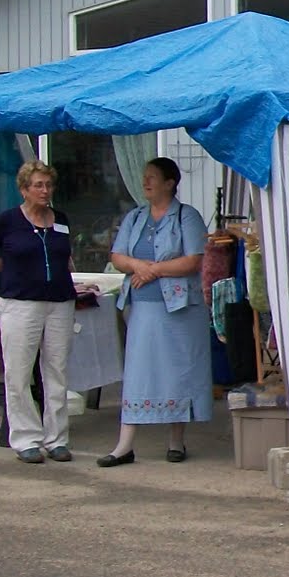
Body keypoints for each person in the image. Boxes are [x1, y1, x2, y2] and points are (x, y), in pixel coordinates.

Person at [100, 157, 213, 466]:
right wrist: (139, 266)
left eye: (152, 177)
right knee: (138, 372)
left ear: (170, 183)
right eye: (144, 176)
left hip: (179, 309)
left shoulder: (186, 217)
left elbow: (193, 260)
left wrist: (154, 270)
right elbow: (118, 256)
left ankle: (177, 440)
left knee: (178, 371)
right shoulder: (135, 217)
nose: (145, 182)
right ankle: (124, 444)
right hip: (141, 307)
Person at [0, 160, 78, 464]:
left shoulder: (61, 219)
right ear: (24, 189)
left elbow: (64, 256)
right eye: (38, 185)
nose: (45, 191)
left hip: (59, 300)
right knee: (18, 370)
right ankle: (26, 437)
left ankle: (57, 438)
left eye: (49, 185)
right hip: (20, 303)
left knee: (56, 369)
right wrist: (9, 268)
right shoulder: (7, 221)